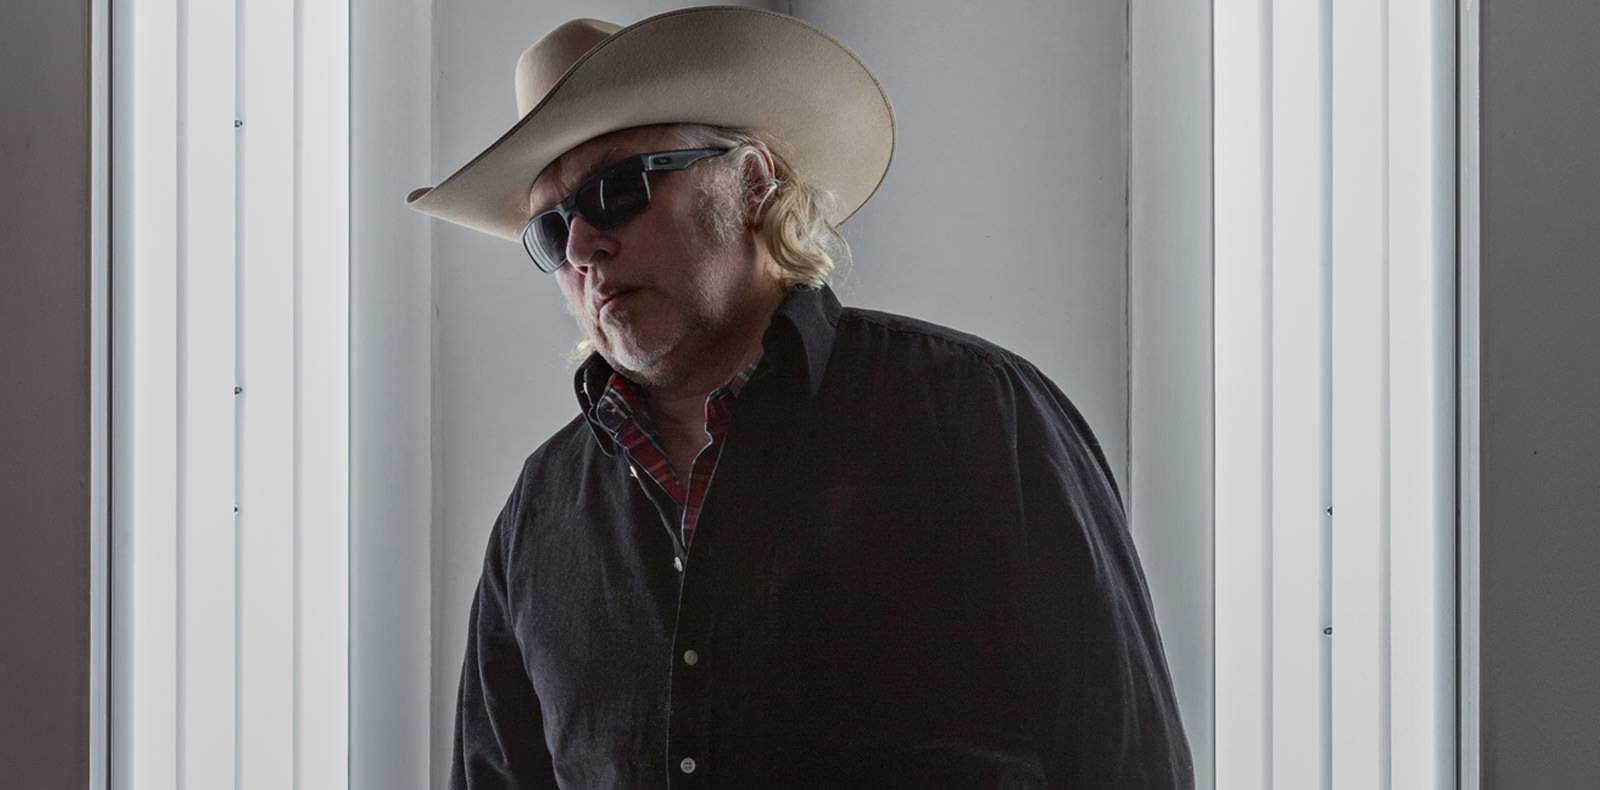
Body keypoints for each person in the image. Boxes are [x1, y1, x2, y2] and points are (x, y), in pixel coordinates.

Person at [408, 7, 1193, 788]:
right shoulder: (538, 513)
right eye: (551, 230)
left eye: (618, 189)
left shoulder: (981, 418)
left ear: (752, 183)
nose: (582, 247)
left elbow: (1130, 764)